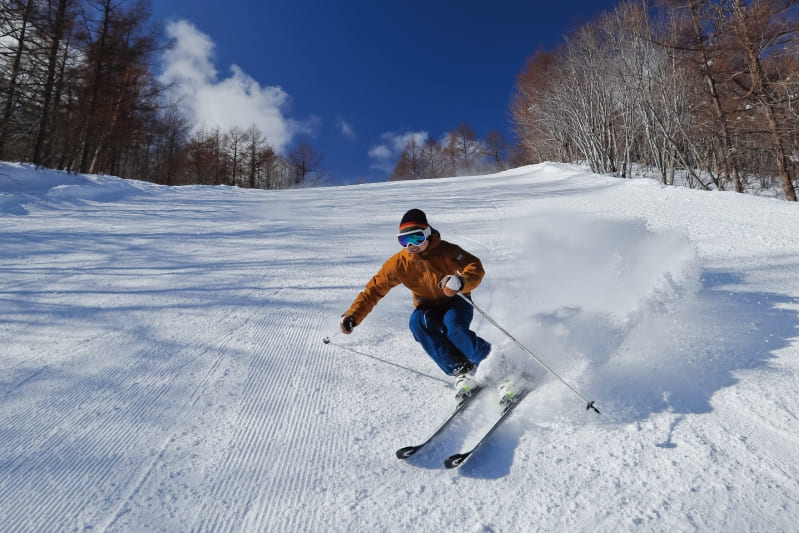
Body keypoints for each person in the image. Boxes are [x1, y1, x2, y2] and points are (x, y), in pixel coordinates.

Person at [339, 208, 491, 400]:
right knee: (418, 323)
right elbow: (374, 290)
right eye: (404, 241)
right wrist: (354, 314)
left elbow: (475, 266)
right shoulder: (399, 263)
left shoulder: (447, 251)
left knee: (454, 329)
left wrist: (460, 282)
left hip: (456, 301)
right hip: (427, 306)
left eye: (417, 238)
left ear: (428, 233)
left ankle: (494, 363)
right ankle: (461, 369)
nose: (411, 245)